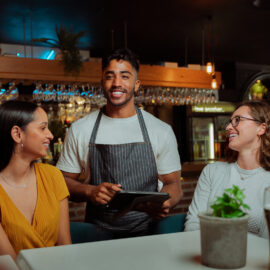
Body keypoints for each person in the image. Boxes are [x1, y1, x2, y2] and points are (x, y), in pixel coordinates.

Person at [57, 48, 182, 239]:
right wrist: (90, 191)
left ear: (136, 84)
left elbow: (173, 184)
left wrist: (165, 203)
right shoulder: (81, 129)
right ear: (102, 82)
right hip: (96, 236)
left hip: (149, 235)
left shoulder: (160, 130)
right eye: (110, 76)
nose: (117, 83)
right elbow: (62, 182)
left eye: (125, 76)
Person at [184, 100, 270, 238]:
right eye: (229, 122)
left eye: (237, 120)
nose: (228, 127)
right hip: (209, 254)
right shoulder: (212, 171)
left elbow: (266, 241)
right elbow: (193, 224)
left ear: (261, 128)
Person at [0, 100, 71, 260]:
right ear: (17, 134)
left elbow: (65, 246)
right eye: (43, 128)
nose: (50, 135)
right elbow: (8, 264)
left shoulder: (53, 176)